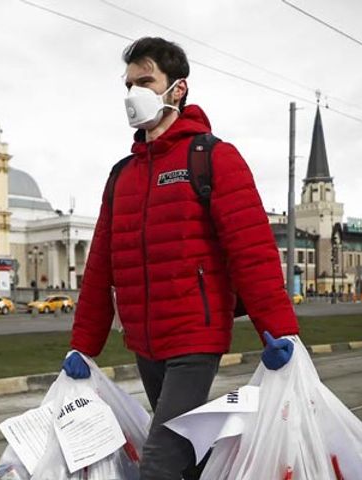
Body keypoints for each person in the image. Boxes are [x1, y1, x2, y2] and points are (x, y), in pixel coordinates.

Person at [61, 37, 299, 480]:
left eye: (145, 81)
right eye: (129, 83)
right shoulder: (122, 176)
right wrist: (84, 346)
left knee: (158, 463)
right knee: (187, 452)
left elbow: (252, 251)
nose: (134, 93)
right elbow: (100, 270)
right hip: (145, 341)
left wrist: (281, 331)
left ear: (178, 89)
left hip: (195, 335)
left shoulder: (213, 157)